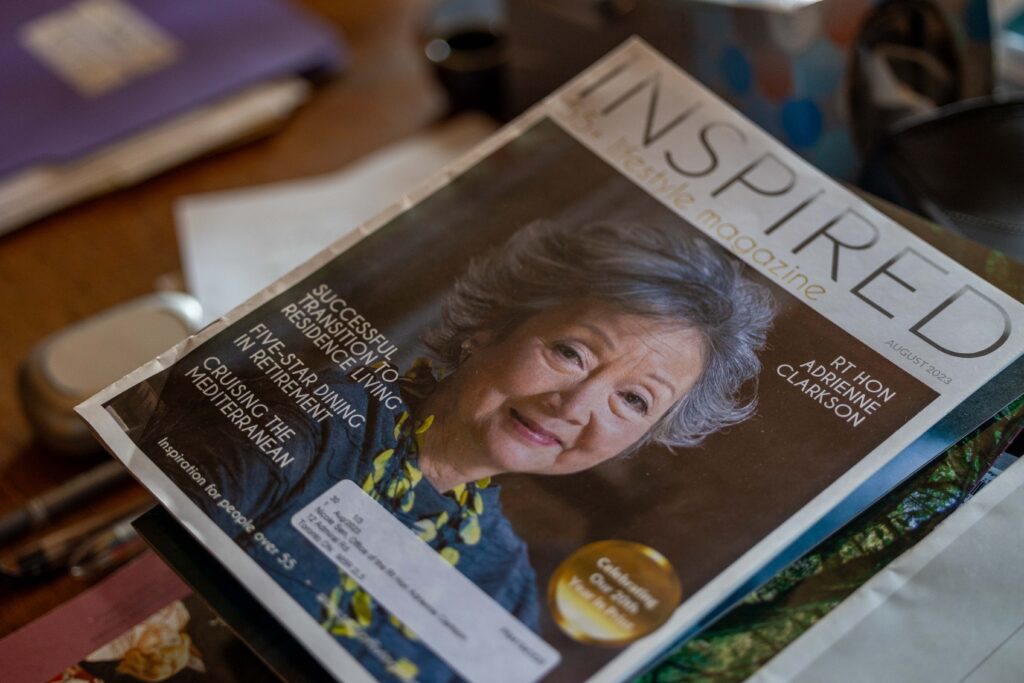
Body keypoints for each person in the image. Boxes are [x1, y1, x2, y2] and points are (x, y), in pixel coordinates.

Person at [123, 218, 774, 683]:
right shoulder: (307, 421)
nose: (576, 406)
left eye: (633, 401)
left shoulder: (506, 585)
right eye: (571, 351)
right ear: (493, 326)